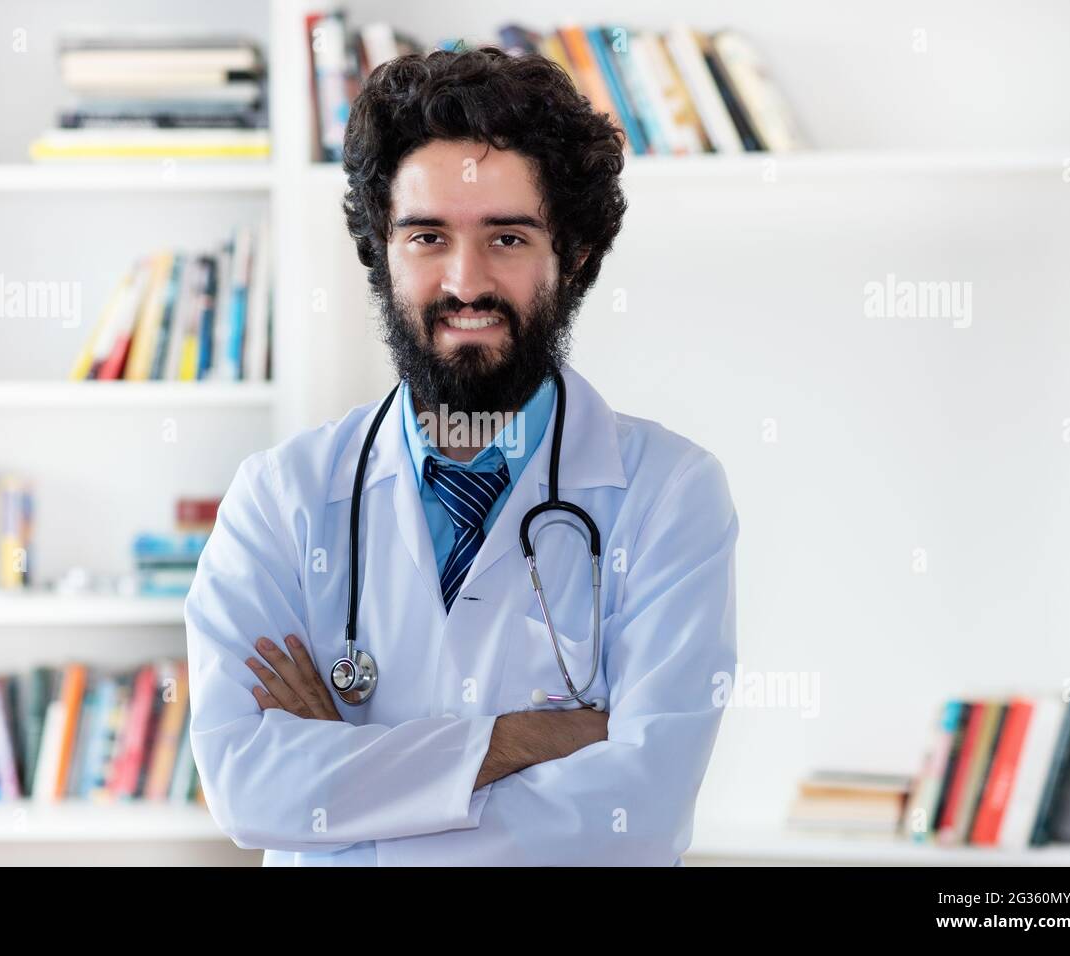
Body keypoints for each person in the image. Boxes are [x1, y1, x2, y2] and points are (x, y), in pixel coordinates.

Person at [184, 46, 738, 866]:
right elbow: (246, 787)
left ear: (574, 253)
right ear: (381, 252)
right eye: (427, 236)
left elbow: (636, 815)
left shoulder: (669, 494)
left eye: (507, 237)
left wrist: (346, 803)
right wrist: (524, 740)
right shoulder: (282, 497)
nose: (464, 280)